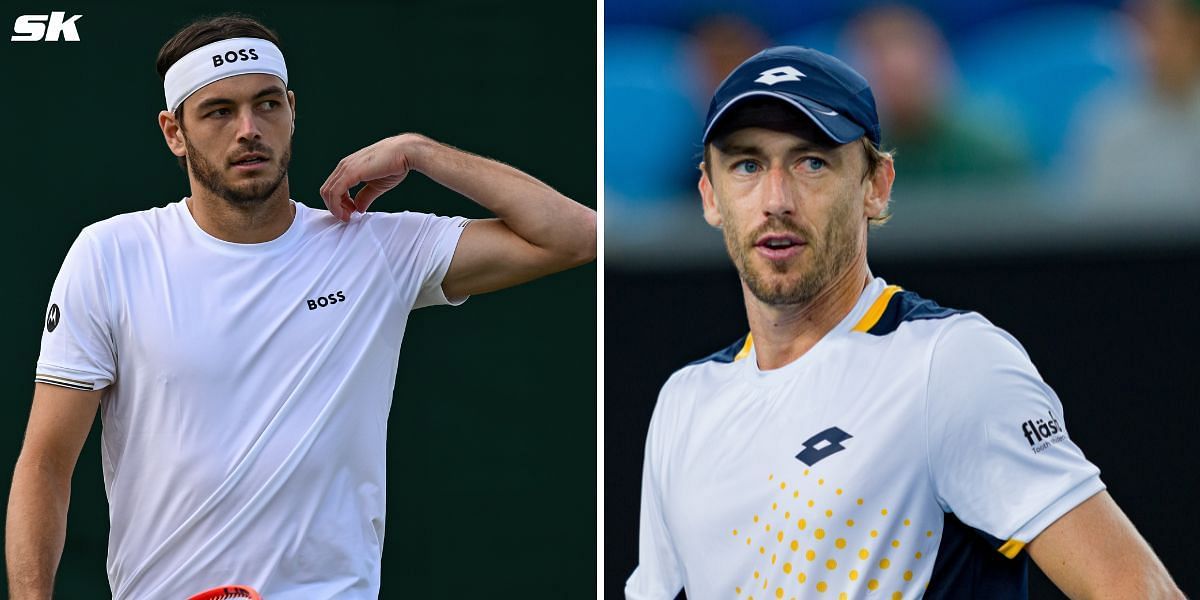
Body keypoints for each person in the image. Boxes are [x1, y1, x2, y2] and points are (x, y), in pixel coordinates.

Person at [5, 14, 595, 600]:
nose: (248, 130)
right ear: (173, 132)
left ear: (292, 110)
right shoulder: (110, 254)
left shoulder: (375, 249)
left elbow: (577, 236)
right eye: (219, 111)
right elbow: (45, 465)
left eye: (267, 105)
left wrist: (419, 151)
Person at [624, 46, 1180, 599]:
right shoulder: (684, 401)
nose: (776, 199)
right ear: (710, 195)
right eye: (747, 165)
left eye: (811, 162)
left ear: (876, 185)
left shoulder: (952, 363)